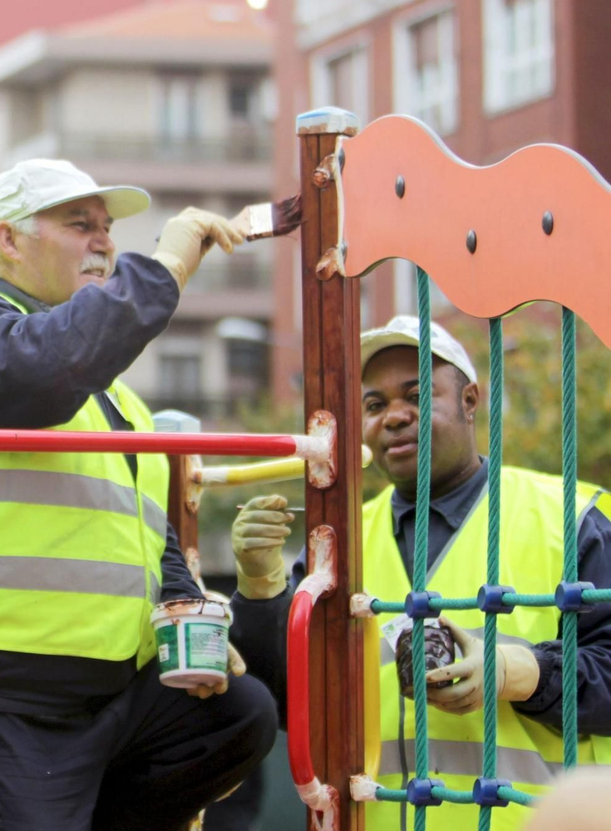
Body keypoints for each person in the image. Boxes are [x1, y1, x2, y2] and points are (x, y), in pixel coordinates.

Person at [0, 159, 277, 830]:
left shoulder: (117, 400)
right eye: (80, 225)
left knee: (238, 713)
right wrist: (164, 269)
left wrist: (186, 611)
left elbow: (146, 537)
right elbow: (51, 364)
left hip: (101, 701)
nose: (103, 241)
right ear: (9, 242)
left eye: (107, 228)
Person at [230, 316, 611, 829]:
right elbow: (290, 696)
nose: (394, 416)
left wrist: (524, 675)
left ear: (470, 401)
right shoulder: (338, 542)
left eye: (417, 394)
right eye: (374, 404)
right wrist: (260, 587)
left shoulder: (573, 519)